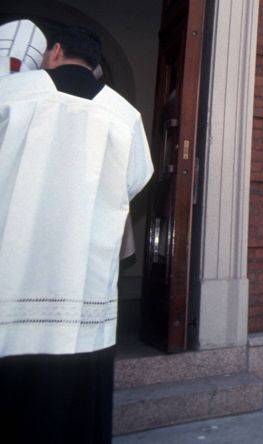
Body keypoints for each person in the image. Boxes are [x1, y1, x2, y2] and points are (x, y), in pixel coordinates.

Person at [0, 25, 153, 443]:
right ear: (98, 66)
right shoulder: (125, 115)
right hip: (84, 285)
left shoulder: (12, 93)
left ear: (55, 52)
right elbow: (137, 178)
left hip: (13, 280)